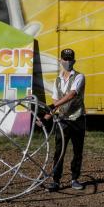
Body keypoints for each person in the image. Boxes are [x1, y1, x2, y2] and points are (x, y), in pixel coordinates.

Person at [40, 48, 86, 192]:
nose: (67, 62)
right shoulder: (58, 80)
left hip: (77, 119)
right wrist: (47, 117)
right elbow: (56, 100)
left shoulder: (79, 77)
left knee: (77, 151)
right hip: (62, 121)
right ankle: (56, 181)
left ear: (74, 61)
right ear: (61, 61)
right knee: (59, 151)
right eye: (65, 59)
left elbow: (72, 94)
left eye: (70, 59)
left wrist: (52, 106)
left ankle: (74, 179)